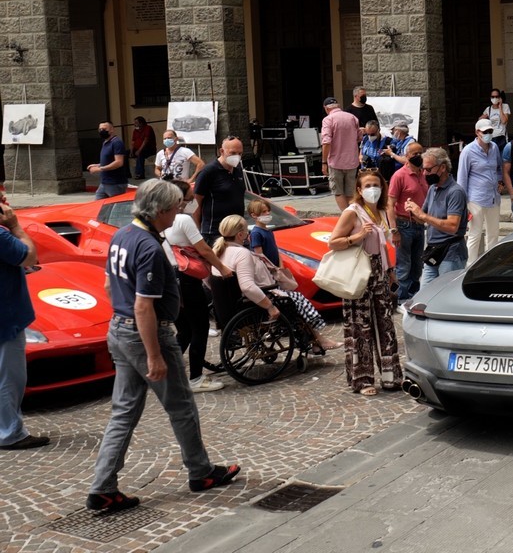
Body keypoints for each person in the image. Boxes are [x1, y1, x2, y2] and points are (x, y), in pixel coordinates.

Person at [87, 179, 240, 514]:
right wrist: (154, 354)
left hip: (122, 329)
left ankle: (102, 487)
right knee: (182, 406)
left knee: (123, 411)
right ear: (159, 210)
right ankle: (200, 472)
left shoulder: (122, 235)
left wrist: (123, 321)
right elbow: (144, 307)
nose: (179, 212)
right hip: (147, 333)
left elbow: (109, 285)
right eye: (175, 207)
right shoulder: (148, 246)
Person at [211, 215, 338, 351]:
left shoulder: (218, 251)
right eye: (247, 231)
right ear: (241, 234)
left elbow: (209, 282)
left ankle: (316, 339)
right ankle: (318, 339)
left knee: (293, 298)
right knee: (298, 299)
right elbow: (247, 286)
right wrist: (269, 306)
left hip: (229, 304)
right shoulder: (241, 254)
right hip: (251, 301)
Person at [326, 170, 401, 396]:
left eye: (376, 184)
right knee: (360, 328)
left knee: (385, 326)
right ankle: (362, 379)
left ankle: (391, 376)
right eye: (367, 185)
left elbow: (382, 246)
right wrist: (356, 238)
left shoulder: (379, 212)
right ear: (359, 190)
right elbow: (333, 242)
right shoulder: (352, 212)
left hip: (379, 274)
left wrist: (390, 272)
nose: (372, 189)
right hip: (359, 275)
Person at [164, 181, 232, 393]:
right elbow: (204, 249)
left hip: (170, 279)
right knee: (199, 328)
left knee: (183, 330)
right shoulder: (183, 219)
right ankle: (195, 378)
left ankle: (167, 374)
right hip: (187, 279)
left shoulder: (159, 220)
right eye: (190, 196)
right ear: (179, 199)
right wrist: (222, 268)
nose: (194, 200)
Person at [0, 192, 49, 450]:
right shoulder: (2, 235)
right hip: (6, 317)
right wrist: (16, 226)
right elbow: (29, 257)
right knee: (10, 378)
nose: (6, 200)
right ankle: (10, 433)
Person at [406, 147, 469, 286]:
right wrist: (413, 212)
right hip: (433, 250)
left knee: (446, 295)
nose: (424, 173)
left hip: (451, 253)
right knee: (424, 295)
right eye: (423, 169)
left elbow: (452, 226)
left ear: (442, 168)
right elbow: (423, 218)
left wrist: (422, 214)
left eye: (428, 170)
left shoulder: (455, 192)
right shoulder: (433, 189)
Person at [387, 141, 428, 302]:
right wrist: (394, 230)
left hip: (420, 224)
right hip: (404, 224)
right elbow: (390, 204)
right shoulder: (399, 176)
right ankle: (400, 299)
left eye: (420, 153)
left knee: (418, 265)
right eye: (414, 154)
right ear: (407, 156)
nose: (418, 156)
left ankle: (413, 295)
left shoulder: (424, 174)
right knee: (403, 265)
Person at [458, 118, 502, 262]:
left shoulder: (494, 147)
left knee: (493, 233)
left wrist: (500, 181)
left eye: (490, 131)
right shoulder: (468, 151)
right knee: (475, 234)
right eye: (485, 132)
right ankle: (469, 265)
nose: (488, 134)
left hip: (493, 196)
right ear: (477, 132)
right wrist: (463, 204)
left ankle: (490, 264)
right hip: (475, 198)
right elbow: (462, 178)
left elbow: (498, 168)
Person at [192, 136, 246, 245]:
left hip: (237, 231)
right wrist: (199, 230)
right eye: (233, 153)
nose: (237, 156)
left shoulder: (238, 170)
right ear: (221, 151)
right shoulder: (209, 171)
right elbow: (196, 203)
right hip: (215, 233)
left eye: (240, 153)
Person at [321, 96, 361, 211]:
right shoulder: (352, 117)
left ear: (326, 108)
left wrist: (324, 162)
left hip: (335, 162)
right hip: (352, 161)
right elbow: (359, 137)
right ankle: (354, 216)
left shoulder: (328, 120)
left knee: (338, 192)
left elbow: (326, 142)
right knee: (350, 192)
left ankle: (345, 217)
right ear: (338, 106)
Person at [90, 121, 129, 199]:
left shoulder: (117, 143)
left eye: (104, 129)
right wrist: (97, 165)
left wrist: (100, 169)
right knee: (98, 206)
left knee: (117, 207)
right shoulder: (105, 143)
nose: (102, 131)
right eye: (100, 129)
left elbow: (118, 162)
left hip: (115, 183)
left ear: (112, 130)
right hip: (104, 183)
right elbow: (108, 160)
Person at [481, 88, 510, 180]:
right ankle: (494, 181)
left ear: (500, 97)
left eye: (496, 96)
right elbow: (480, 121)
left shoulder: (505, 106)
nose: (494, 98)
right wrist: (484, 117)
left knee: (502, 161)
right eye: (493, 97)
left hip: (501, 137)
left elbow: (504, 120)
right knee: (492, 161)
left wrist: (500, 107)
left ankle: (501, 182)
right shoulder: (488, 109)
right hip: (491, 138)